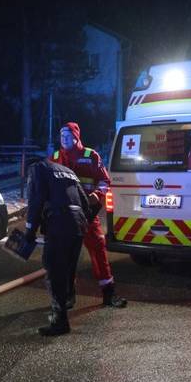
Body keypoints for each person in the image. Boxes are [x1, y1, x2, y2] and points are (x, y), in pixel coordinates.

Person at [50, 122, 127, 308]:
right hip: (65, 215)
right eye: (62, 136)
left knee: (98, 251)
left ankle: (108, 293)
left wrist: (97, 195)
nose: (64, 139)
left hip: (87, 214)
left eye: (68, 136)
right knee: (66, 256)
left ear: (76, 137)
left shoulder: (90, 156)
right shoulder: (55, 157)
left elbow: (104, 181)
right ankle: (68, 295)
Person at [25, 156, 92, 336]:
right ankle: (68, 300)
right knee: (68, 268)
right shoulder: (68, 171)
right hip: (78, 226)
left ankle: (59, 321)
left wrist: (30, 231)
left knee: (55, 272)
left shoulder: (37, 169)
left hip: (59, 224)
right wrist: (80, 222)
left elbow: (36, 200)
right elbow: (85, 203)